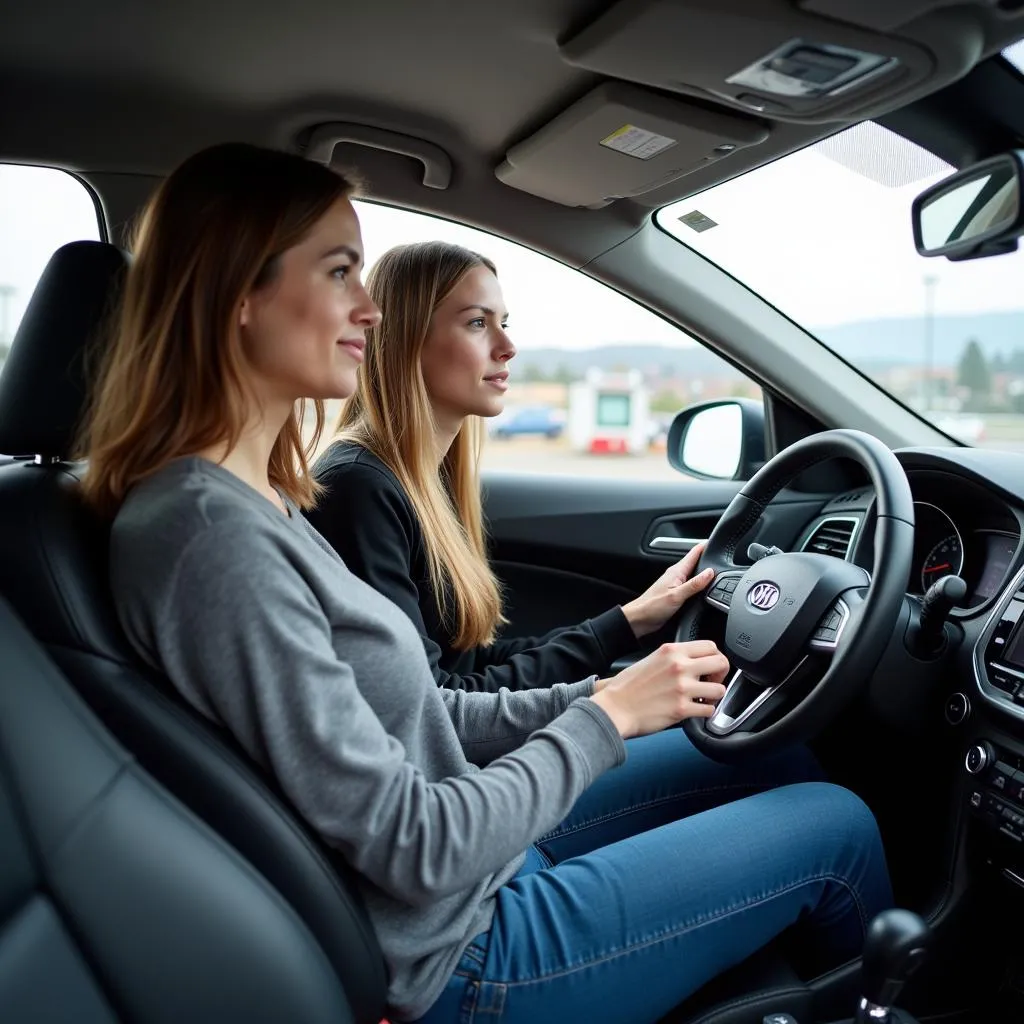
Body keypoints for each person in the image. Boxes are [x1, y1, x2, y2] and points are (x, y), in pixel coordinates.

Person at [79, 142, 893, 1024]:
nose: (369, 309)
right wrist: (607, 718)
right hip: (462, 957)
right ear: (240, 292)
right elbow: (414, 846)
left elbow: (425, 716)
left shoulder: (258, 500)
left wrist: (608, 690)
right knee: (837, 823)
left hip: (475, 871)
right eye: (342, 271)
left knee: (769, 748)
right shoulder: (210, 541)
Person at [308, 240, 708, 696]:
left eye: (504, 323)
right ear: (406, 340)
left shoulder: (421, 482)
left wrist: (631, 620)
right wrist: (615, 701)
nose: (508, 347)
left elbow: (467, 663)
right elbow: (433, 704)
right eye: (478, 323)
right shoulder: (359, 487)